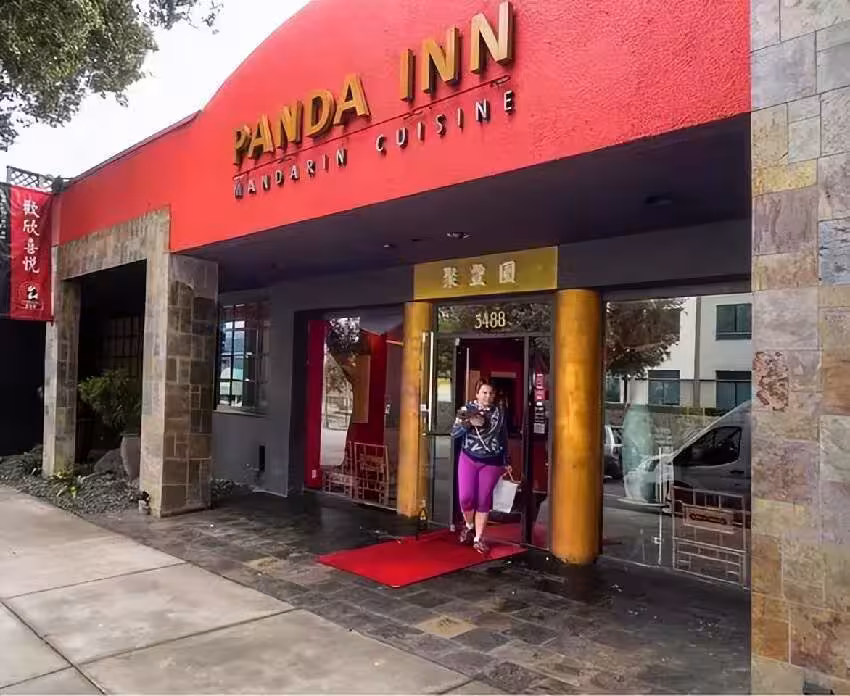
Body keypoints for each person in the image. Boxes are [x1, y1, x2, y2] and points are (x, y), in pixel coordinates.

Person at [451, 379, 511, 554]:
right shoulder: (466, 409)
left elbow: (503, 437)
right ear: (477, 394)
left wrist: (507, 461)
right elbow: (454, 433)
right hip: (468, 458)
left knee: (484, 499)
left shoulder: (499, 412)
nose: (488, 396)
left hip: (492, 461)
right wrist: (469, 423)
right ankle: (469, 525)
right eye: (484, 392)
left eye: (491, 393)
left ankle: (478, 538)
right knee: (466, 497)